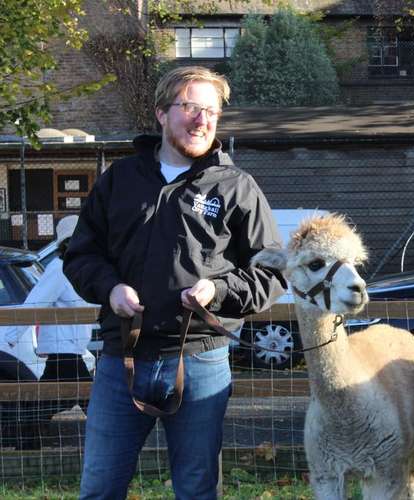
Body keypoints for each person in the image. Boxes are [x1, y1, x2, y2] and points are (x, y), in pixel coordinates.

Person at [63, 66, 286, 500]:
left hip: (200, 363)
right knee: (99, 489)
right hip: (120, 362)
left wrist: (217, 291)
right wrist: (110, 288)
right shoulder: (120, 180)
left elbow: (271, 272)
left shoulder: (236, 187)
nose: (202, 120)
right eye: (190, 108)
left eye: (212, 112)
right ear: (162, 113)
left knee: (198, 490)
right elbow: (81, 255)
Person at [22, 215, 95, 448]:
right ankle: (111, 444)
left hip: (71, 349)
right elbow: (35, 303)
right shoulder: (58, 270)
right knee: (91, 402)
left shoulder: (77, 269)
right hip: (64, 350)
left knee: (44, 403)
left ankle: (28, 447)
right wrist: (11, 338)